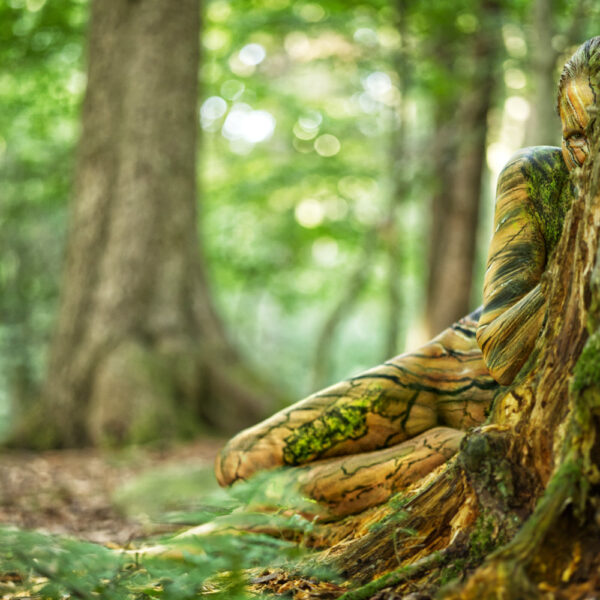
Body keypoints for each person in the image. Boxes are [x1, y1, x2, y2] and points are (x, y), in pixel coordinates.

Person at [214, 37, 599, 520]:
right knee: (241, 461)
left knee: (269, 500)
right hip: (445, 371)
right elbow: (502, 351)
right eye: (574, 137)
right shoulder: (540, 173)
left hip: (489, 426)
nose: (585, 156)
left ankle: (429, 458)